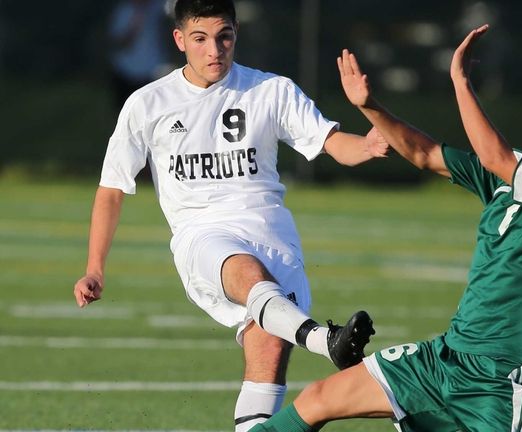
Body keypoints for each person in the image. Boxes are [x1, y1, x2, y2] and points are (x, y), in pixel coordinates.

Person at [250, 24, 522, 432]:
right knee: (318, 398)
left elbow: (493, 154)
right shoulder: (511, 180)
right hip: (445, 358)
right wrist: (369, 106)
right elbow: (424, 153)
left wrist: (460, 81)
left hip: (499, 381)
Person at [73, 0, 382, 430]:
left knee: (269, 354)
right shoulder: (147, 103)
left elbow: (332, 143)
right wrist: (94, 268)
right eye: (200, 39)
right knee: (248, 272)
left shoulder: (271, 91)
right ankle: (324, 340)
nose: (214, 49)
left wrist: (365, 145)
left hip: (273, 233)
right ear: (179, 39)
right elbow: (111, 190)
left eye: (224, 36)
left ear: (236, 32)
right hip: (202, 235)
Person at [107, 0, 170, 112]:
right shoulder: (125, 11)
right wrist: (136, 20)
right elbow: (120, 43)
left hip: (151, 72)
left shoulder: (158, 8)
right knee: (124, 113)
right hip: (126, 71)